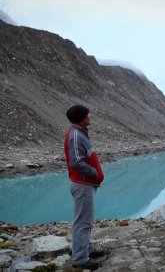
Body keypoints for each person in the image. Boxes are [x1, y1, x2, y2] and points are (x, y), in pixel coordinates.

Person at [64, 104, 105, 271]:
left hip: (86, 184)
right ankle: (80, 259)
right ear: (81, 118)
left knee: (85, 220)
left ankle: (87, 249)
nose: (90, 117)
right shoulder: (75, 135)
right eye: (88, 115)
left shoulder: (80, 133)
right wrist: (95, 172)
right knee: (82, 222)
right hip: (82, 184)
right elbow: (76, 162)